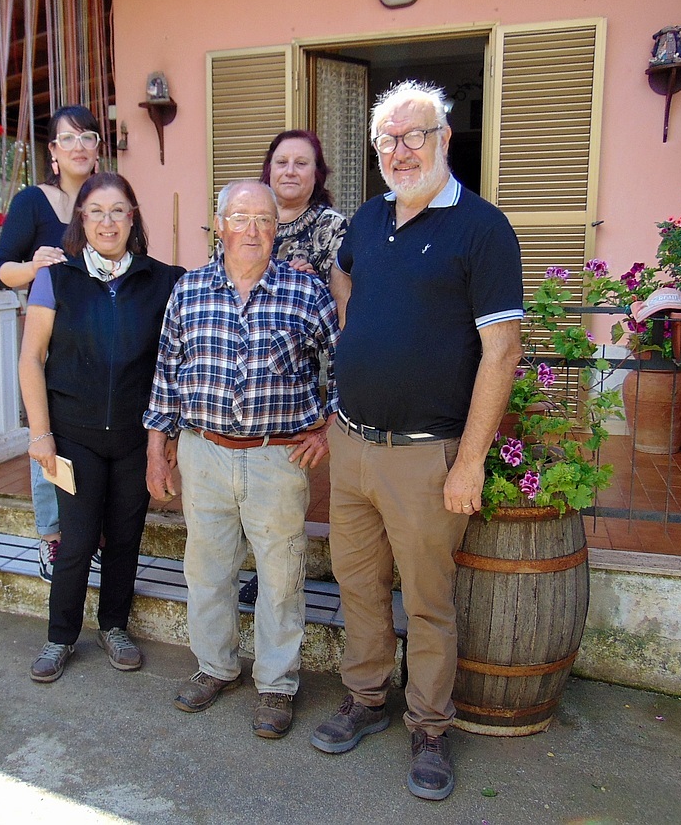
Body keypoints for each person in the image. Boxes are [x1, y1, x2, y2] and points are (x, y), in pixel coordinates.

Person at [311, 81, 523, 802]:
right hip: (352, 444)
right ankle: (367, 698)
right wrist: (357, 329)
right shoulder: (367, 221)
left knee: (428, 599)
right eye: (386, 141)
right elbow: (344, 276)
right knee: (358, 585)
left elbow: (502, 353)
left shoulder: (482, 229)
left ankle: (430, 725)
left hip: (428, 456)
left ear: (443, 140)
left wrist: (470, 461)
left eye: (413, 136)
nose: (399, 152)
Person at [144, 180, 340, 740]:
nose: (252, 230)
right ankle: (215, 667)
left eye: (264, 220)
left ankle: (277, 685)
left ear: (276, 230)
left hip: (277, 460)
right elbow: (165, 376)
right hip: (203, 454)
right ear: (220, 224)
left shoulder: (305, 293)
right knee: (207, 570)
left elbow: (345, 361)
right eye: (241, 218)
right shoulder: (188, 291)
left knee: (281, 575)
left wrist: (325, 427)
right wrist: (159, 450)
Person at [20, 172, 184, 683]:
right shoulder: (57, 276)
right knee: (76, 539)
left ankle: (113, 626)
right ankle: (59, 637)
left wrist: (170, 436)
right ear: (81, 220)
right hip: (72, 435)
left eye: (118, 211)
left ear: (132, 218)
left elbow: (177, 361)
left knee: (127, 535)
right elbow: (31, 357)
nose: (107, 221)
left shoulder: (163, 280)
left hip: (137, 437)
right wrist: (40, 434)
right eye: (96, 211)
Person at [0, 105, 102, 582]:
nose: (79, 146)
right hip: (51, 342)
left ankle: (90, 535)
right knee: (47, 434)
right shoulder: (33, 202)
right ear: (53, 152)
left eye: (88, 137)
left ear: (98, 148)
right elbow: (1, 270)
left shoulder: (107, 199)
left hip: (100, 342)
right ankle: (54, 538)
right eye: (67, 139)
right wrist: (35, 267)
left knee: (95, 440)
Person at [238, 129, 350, 606]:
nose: (289, 171)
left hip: (302, 376)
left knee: (288, 482)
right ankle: (263, 568)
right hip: (244, 372)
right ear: (269, 169)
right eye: (281, 161)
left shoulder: (330, 227)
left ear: (317, 174)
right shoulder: (249, 220)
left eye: (301, 163)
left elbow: (346, 304)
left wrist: (315, 283)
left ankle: (280, 576)